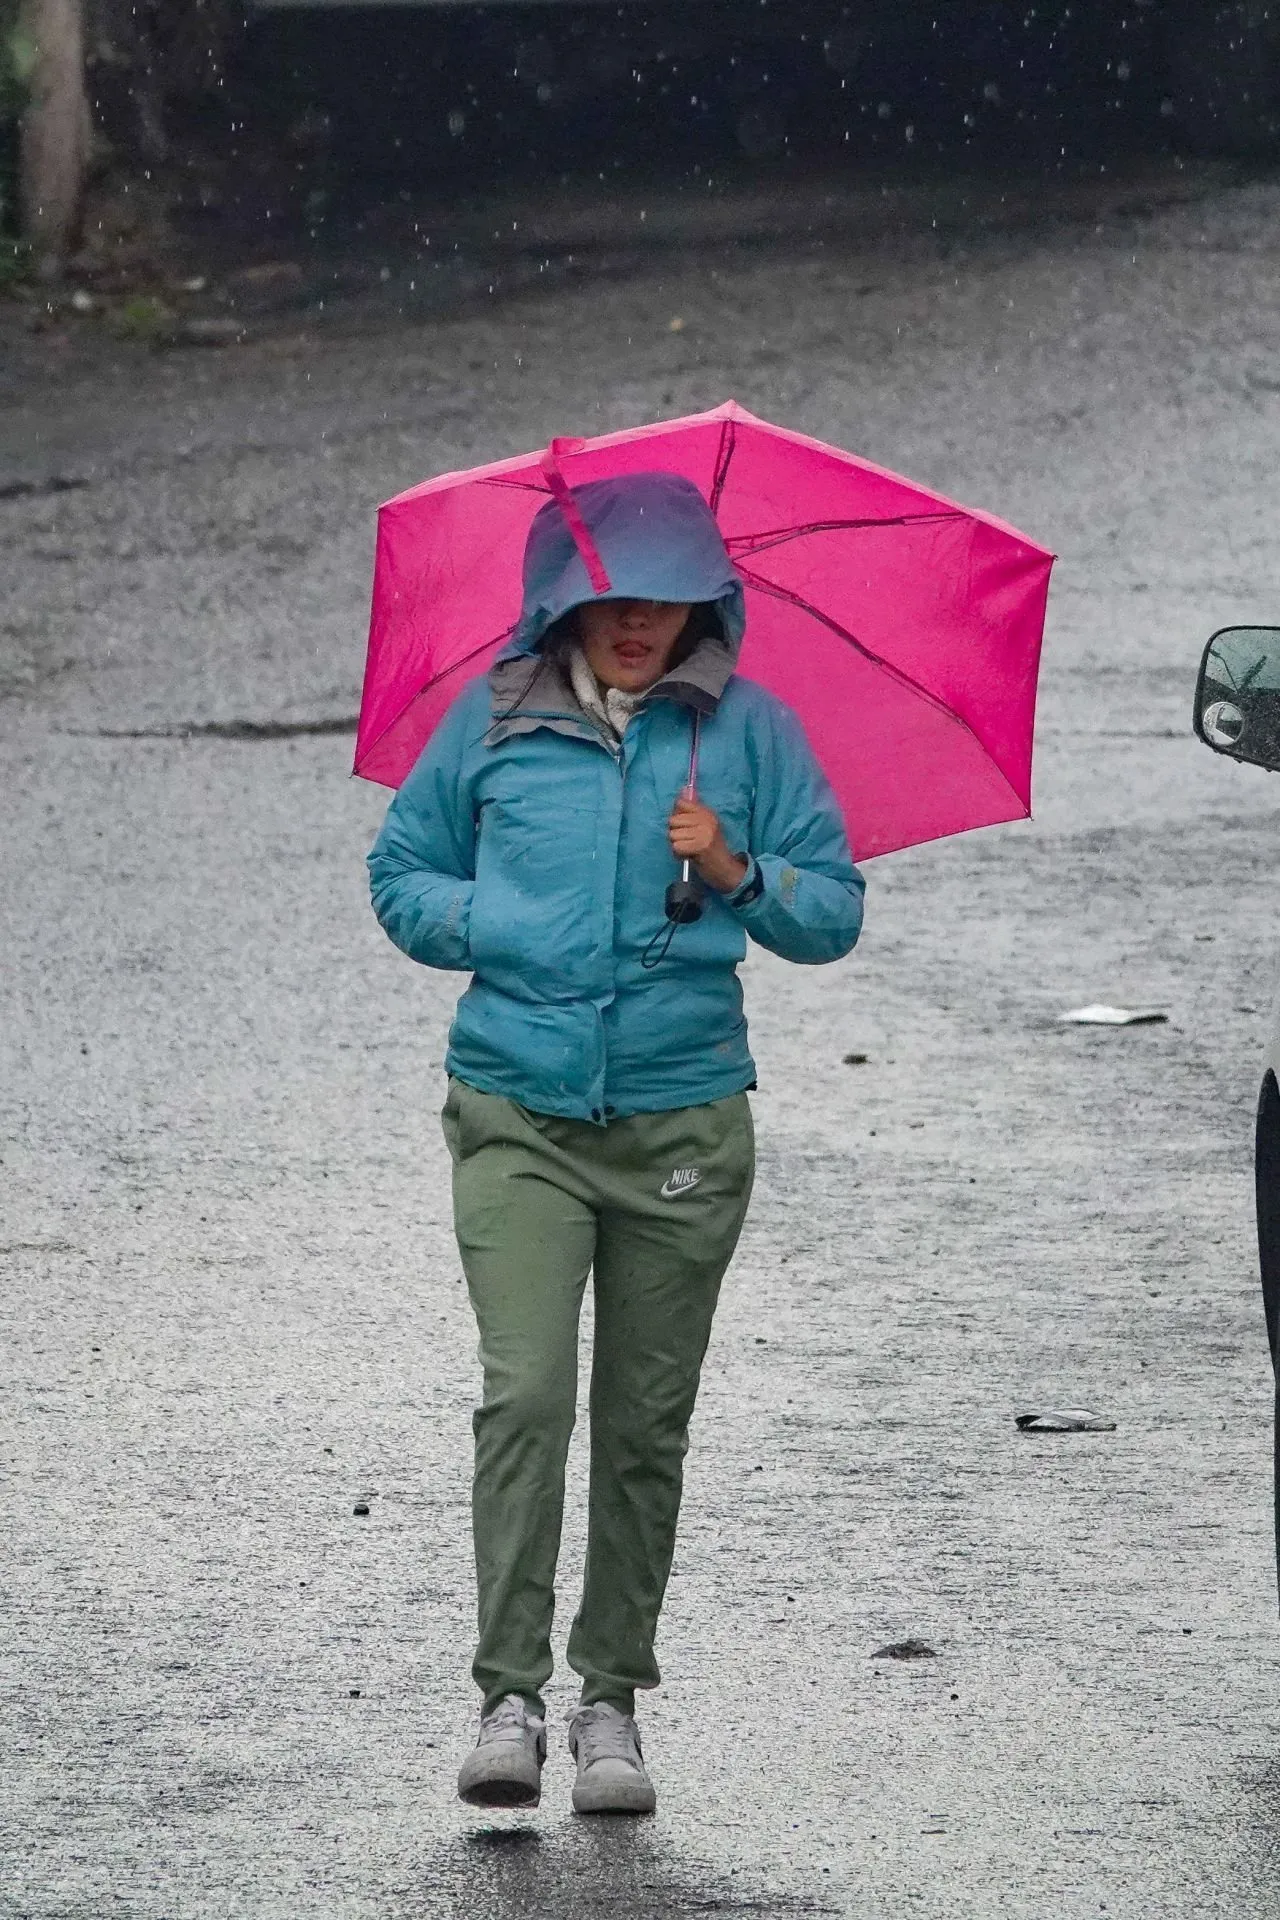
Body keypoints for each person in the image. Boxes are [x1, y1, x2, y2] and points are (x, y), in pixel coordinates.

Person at [368, 470, 864, 1815]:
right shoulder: (492, 723)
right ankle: (507, 1698)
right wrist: (512, 928)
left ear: (706, 602)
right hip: (518, 1115)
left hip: (682, 1126)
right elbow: (400, 877)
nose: (636, 622)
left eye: (663, 598)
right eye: (609, 599)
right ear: (560, 605)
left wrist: (737, 873)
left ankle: (609, 1705)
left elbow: (835, 911)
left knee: (645, 1424)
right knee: (526, 1392)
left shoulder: (750, 736)